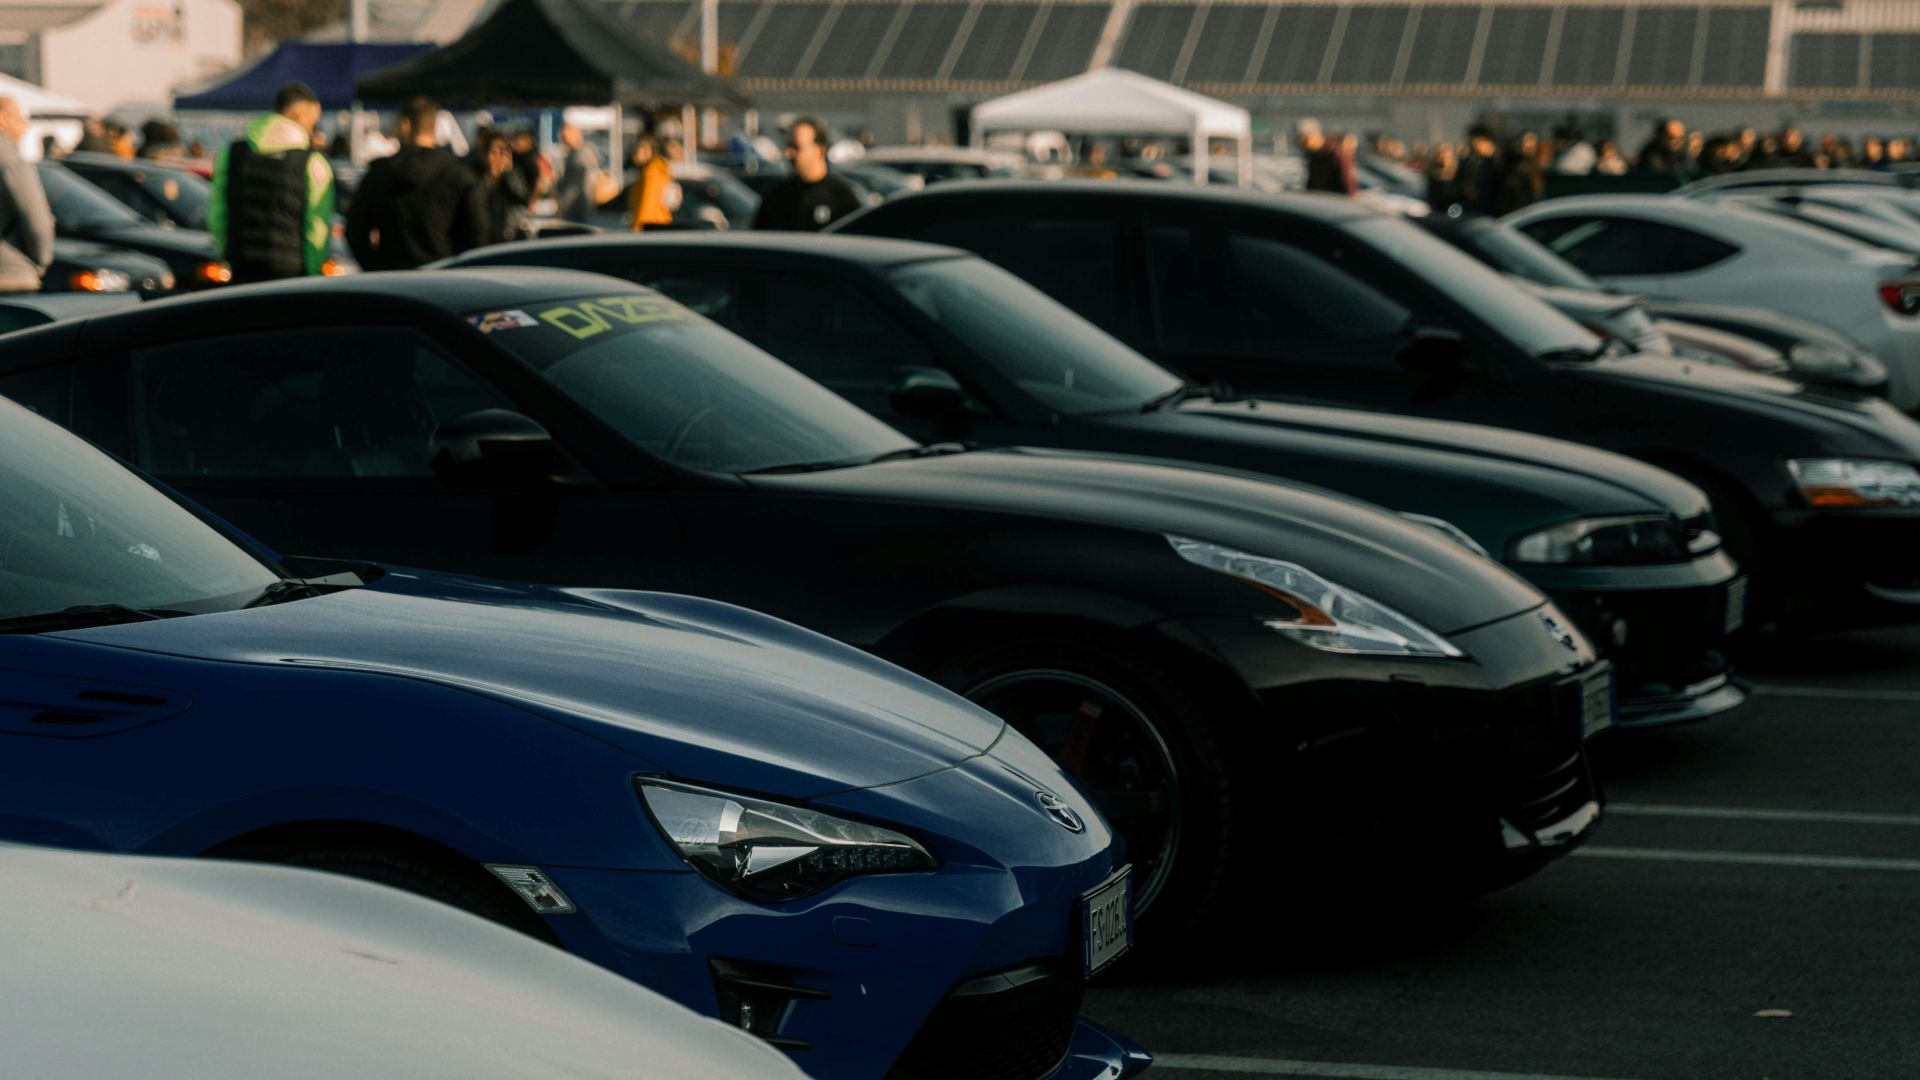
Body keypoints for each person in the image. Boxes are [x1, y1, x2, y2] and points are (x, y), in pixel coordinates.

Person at [207, 82, 336, 284]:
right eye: (313, 122)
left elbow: (217, 215)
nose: (314, 131)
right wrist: (312, 274)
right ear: (300, 115)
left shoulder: (231, 154)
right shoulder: (314, 163)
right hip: (291, 275)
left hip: (241, 270)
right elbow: (317, 229)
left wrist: (227, 253)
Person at [346, 97, 488, 271]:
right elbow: (478, 235)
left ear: (406, 125)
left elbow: (355, 232)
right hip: (445, 280)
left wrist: (376, 267)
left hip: (392, 279)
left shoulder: (379, 174)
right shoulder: (461, 175)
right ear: (434, 127)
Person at [751, 117, 862, 231]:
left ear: (820, 151)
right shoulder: (775, 199)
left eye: (796, 147)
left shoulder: (842, 198)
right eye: (788, 146)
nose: (789, 154)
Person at [0, 97, 52, 295]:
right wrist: (41, 260)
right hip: (10, 278)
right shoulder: (9, 159)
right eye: (20, 120)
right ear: (2, 119)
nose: (24, 127)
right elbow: (37, 222)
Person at [469, 129, 527, 245]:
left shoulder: (509, 177)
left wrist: (509, 173)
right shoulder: (475, 177)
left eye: (504, 153)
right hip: (481, 242)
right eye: (494, 152)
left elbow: (522, 198)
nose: (499, 158)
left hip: (506, 240)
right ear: (484, 155)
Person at [553, 122, 606, 223]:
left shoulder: (579, 156)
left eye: (565, 136)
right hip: (584, 208)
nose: (563, 139)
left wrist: (561, 209)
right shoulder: (583, 152)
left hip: (578, 209)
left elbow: (573, 187)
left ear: (577, 134)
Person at [626, 135, 676, 231]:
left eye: (637, 152)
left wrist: (637, 228)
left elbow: (647, 206)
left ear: (648, 153)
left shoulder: (651, 174)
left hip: (651, 229)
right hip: (657, 227)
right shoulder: (654, 171)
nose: (634, 156)